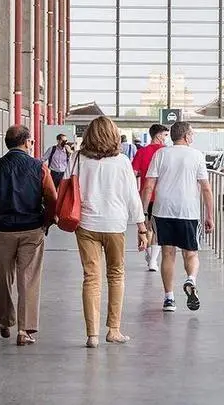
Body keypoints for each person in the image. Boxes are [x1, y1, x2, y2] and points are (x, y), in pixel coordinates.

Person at [66, 116, 147, 348]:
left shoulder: (77, 158)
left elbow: (67, 187)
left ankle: (92, 335)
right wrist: (141, 226)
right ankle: (113, 330)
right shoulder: (121, 161)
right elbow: (132, 196)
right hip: (115, 225)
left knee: (91, 277)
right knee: (116, 274)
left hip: (86, 224)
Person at [0, 125, 57, 346]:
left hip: (2, 230)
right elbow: (52, 198)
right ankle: (25, 330)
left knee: (3, 277)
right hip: (32, 229)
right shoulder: (39, 167)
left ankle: (5, 320)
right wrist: (47, 222)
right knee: (29, 279)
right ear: (27, 142)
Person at [141, 121, 214, 313]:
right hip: (188, 211)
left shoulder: (160, 154)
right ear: (187, 136)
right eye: (192, 134)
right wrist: (210, 216)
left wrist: (144, 214)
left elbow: (148, 186)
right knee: (191, 253)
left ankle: (169, 299)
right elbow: (206, 188)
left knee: (167, 253)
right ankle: (191, 279)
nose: (193, 137)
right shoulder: (197, 155)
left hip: (163, 209)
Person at [132, 124, 169, 272]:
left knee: (146, 227)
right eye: (165, 135)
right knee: (157, 229)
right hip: (162, 196)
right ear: (158, 136)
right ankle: (153, 260)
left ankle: (149, 256)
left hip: (145, 196)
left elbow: (133, 173)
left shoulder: (142, 152)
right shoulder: (166, 153)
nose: (167, 138)